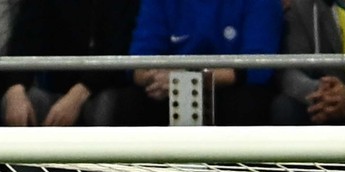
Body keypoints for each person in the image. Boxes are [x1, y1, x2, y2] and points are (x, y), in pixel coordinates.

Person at [97, 0, 281, 127]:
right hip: (166, 87)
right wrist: (156, 77)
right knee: (129, 106)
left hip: (230, 87)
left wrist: (188, 80)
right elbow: (139, 61)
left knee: (246, 108)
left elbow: (258, 66)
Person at [0, 0, 140, 127]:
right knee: (16, 103)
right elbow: (26, 37)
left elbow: (118, 47)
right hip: (58, 88)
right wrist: (16, 87)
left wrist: (78, 94)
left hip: (109, 85)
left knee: (104, 104)